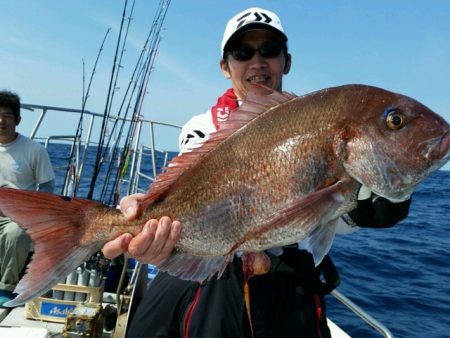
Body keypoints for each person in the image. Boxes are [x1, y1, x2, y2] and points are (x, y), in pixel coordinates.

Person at [102, 8, 411, 338]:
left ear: (285, 61)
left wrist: (371, 206)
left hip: (289, 276)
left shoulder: (314, 125)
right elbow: (189, 199)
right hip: (217, 269)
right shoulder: (202, 128)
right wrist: (145, 216)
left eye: (269, 49)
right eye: (242, 52)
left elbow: (332, 216)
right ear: (225, 66)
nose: (257, 61)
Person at [0, 90, 55, 307]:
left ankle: (5, 287)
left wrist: (28, 211)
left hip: (18, 216)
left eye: (7, 115)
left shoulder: (34, 150)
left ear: (18, 120)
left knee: (16, 233)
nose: (0, 120)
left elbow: (48, 187)